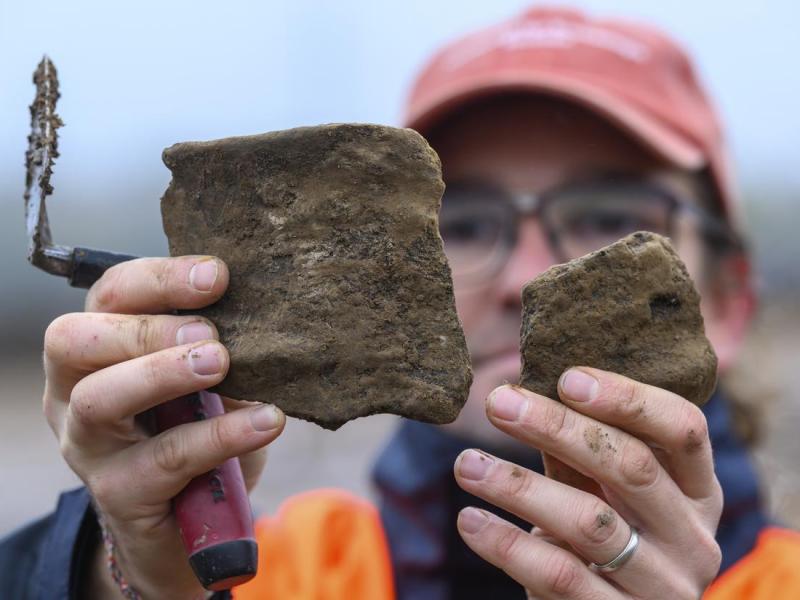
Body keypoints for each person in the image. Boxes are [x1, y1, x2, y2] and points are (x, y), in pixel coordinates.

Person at [2, 6, 799, 600]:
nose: (527, 277)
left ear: (725, 301)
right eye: (461, 221)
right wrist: (123, 570)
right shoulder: (293, 574)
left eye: (608, 222)